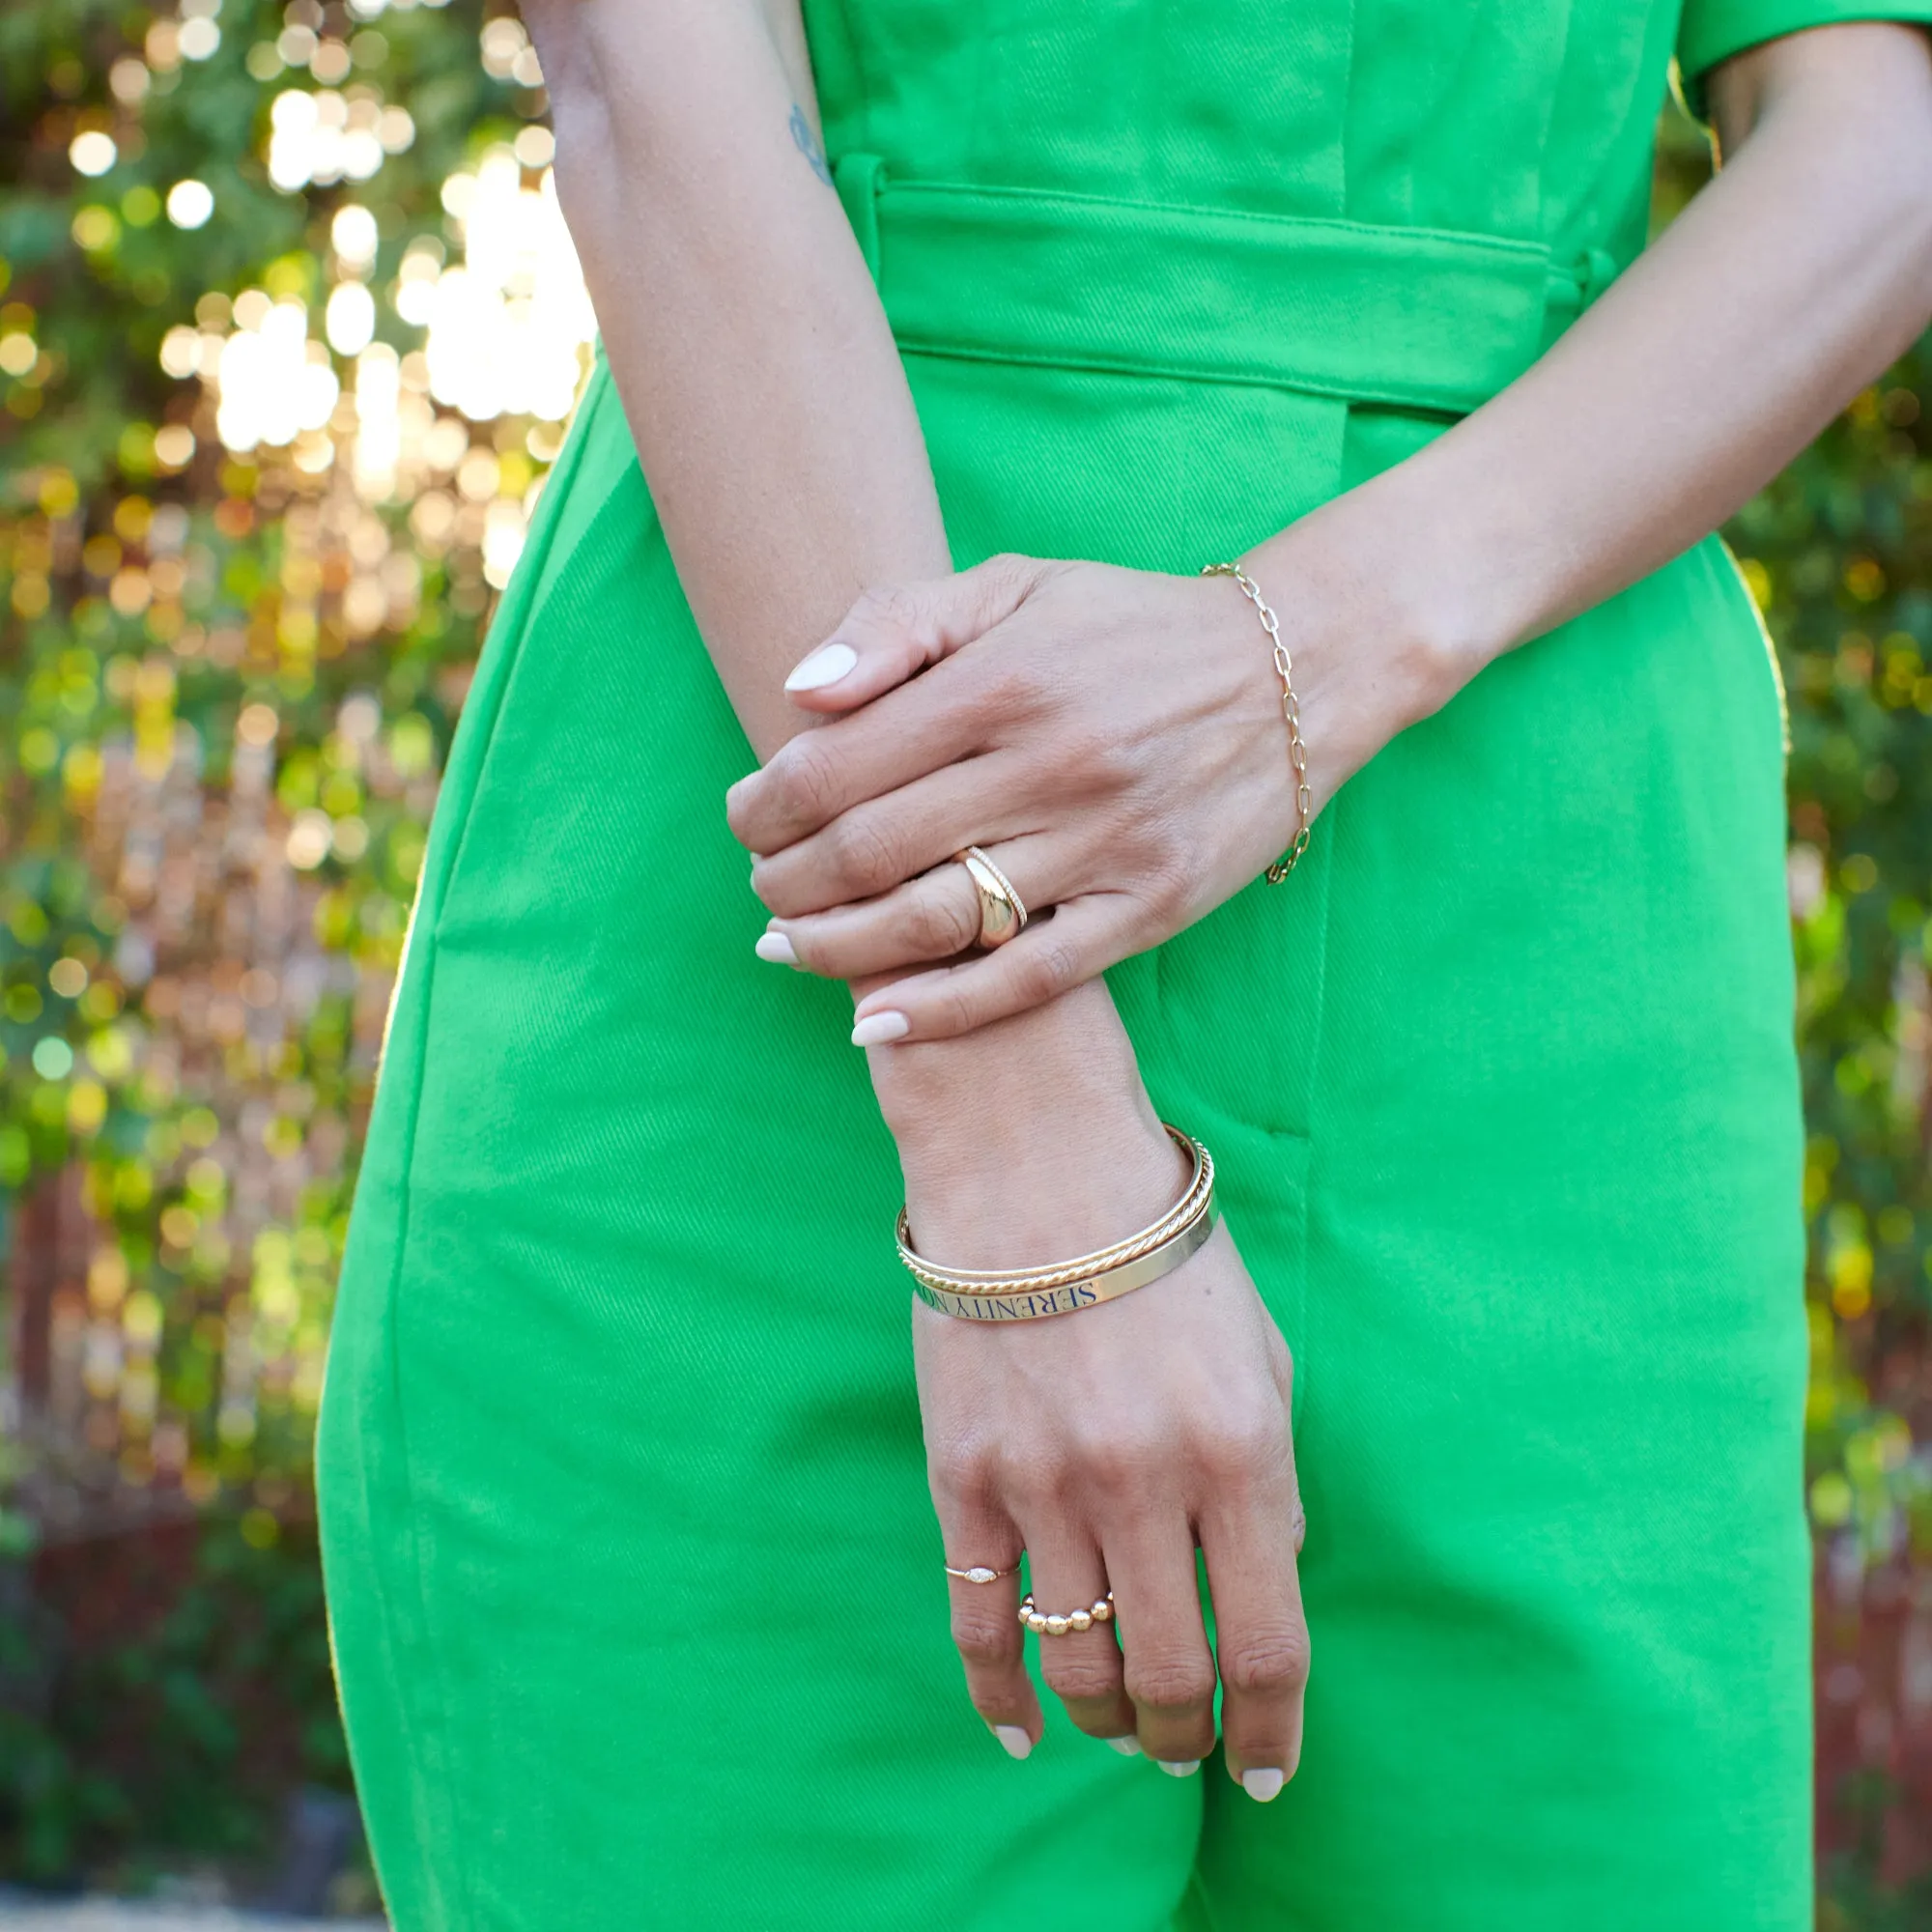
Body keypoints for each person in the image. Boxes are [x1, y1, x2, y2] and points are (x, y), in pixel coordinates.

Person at [314, 2, 1932, 1925]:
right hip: (765, 907)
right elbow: (656, 82)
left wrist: (1306, 658)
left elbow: (1877, 119)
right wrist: (1008, 1126)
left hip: (1547, 977)